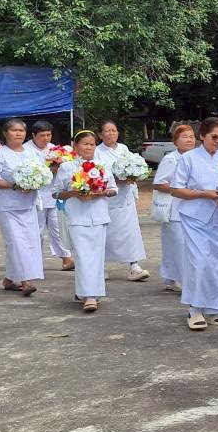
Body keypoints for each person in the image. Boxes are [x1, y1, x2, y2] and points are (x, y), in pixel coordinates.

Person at [170, 117, 218, 331]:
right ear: (202, 136)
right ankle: (195, 307)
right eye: (213, 137)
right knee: (198, 261)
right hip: (195, 216)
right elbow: (176, 189)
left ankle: (214, 306)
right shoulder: (188, 159)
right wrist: (203, 194)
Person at [51, 129, 118, 313]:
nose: (89, 147)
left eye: (92, 144)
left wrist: (101, 192)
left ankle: (89, 293)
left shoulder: (102, 165)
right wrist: (74, 192)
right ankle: (89, 295)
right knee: (82, 256)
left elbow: (113, 189)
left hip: (99, 215)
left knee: (96, 257)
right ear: (76, 146)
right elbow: (55, 192)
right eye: (85, 144)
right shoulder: (67, 167)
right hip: (77, 217)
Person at [0, 118, 44, 297]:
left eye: (21, 130)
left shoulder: (33, 153)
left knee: (29, 241)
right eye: (14, 130)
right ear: (5, 133)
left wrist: (35, 183)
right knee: (17, 242)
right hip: (8, 205)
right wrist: (15, 186)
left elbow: (42, 174)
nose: (18, 133)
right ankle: (26, 281)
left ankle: (9, 279)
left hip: (28, 204)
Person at [95, 120, 149, 282]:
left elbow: (132, 166)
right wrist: (117, 178)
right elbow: (98, 174)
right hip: (108, 198)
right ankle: (100, 266)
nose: (111, 133)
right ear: (100, 134)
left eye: (114, 130)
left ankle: (134, 266)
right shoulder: (97, 152)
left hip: (125, 197)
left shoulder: (123, 148)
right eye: (107, 131)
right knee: (106, 234)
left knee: (130, 232)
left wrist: (132, 176)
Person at [152, 123, 196, 294]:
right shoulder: (171, 159)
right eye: (184, 137)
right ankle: (184, 280)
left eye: (191, 136)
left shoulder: (196, 158)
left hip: (192, 207)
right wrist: (181, 190)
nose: (189, 140)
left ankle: (170, 278)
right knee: (178, 246)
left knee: (179, 246)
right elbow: (159, 183)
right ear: (176, 141)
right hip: (174, 208)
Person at [25, 120, 74, 272]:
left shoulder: (55, 150)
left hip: (53, 194)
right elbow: (29, 171)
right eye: (42, 135)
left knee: (58, 227)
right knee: (36, 230)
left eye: (48, 135)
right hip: (36, 195)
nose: (46, 138)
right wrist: (49, 170)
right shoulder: (26, 150)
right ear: (33, 135)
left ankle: (66, 258)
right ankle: (35, 261)